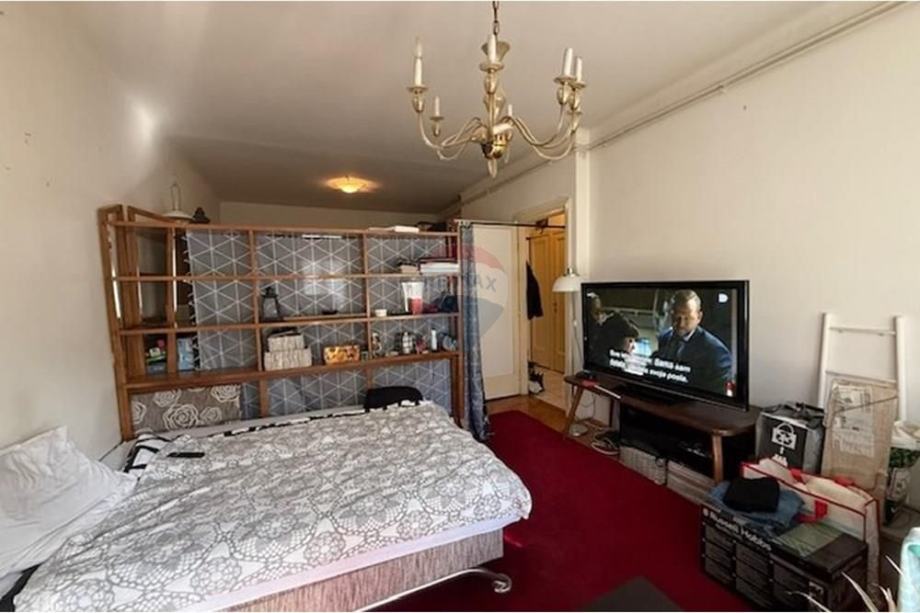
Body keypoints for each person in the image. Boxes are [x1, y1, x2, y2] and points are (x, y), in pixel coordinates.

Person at [652, 290, 733, 395]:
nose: (681, 324)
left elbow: (715, 397)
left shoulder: (717, 353)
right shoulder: (664, 338)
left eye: (687, 318)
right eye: (677, 316)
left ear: (699, 317)